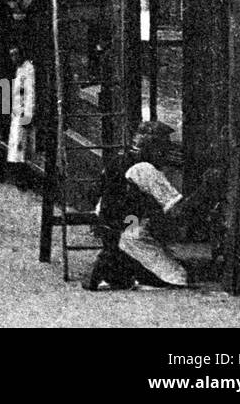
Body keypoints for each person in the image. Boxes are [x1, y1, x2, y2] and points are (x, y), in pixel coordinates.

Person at [86, 120, 223, 290]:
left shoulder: (119, 159)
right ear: (154, 147)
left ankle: (120, 263)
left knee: (137, 232)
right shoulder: (145, 169)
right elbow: (178, 213)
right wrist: (206, 188)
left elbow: (96, 196)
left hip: (116, 226)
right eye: (165, 148)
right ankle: (122, 263)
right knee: (179, 277)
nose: (167, 154)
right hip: (129, 232)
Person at [6, 48, 36, 185]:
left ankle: (23, 179)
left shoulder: (28, 69)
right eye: (11, 55)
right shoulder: (19, 70)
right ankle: (18, 176)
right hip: (17, 112)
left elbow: (30, 93)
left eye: (15, 55)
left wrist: (27, 115)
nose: (13, 58)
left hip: (24, 113)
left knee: (22, 146)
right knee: (16, 145)